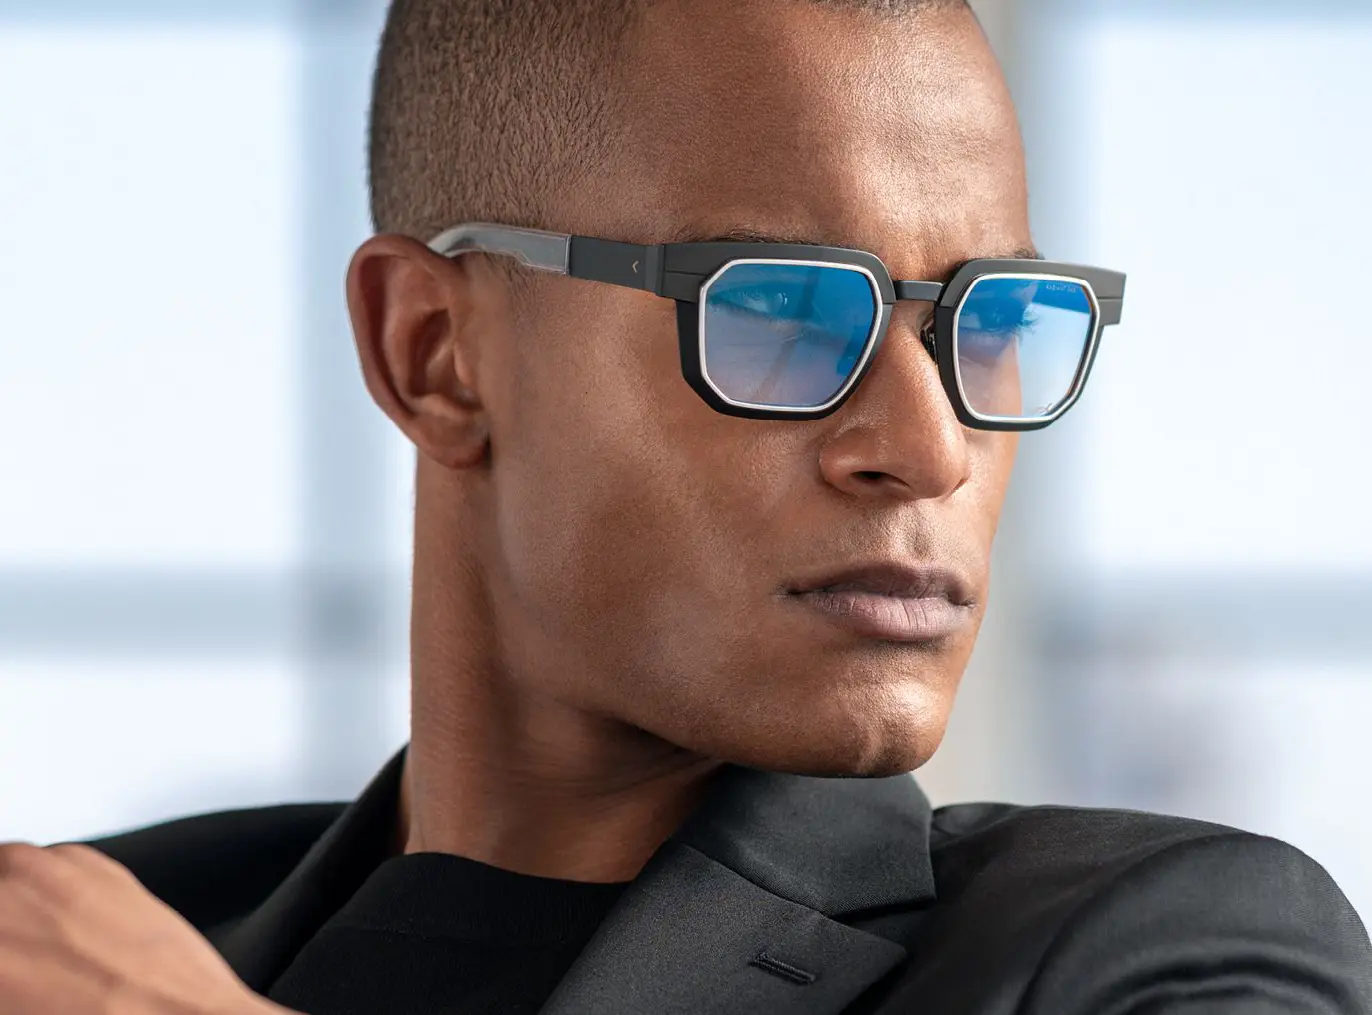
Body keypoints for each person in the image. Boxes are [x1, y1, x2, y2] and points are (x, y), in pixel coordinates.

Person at [1, 0, 1369, 1012]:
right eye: (781, 308)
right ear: (435, 353)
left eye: (993, 321)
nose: (932, 449)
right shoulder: (86, 926)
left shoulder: (1166, 947)